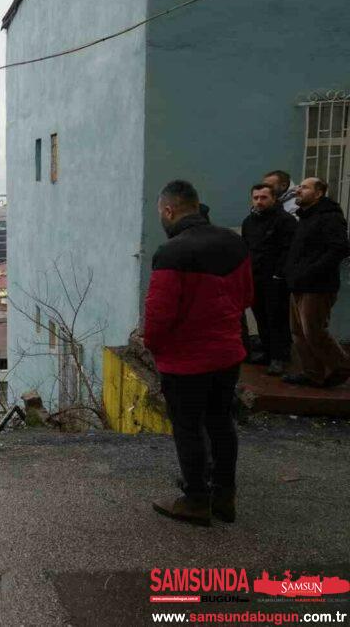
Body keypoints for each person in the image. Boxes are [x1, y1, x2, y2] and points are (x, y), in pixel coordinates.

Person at [144, 180, 253, 526]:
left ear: (168, 210)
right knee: (221, 422)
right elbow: (247, 296)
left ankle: (195, 499)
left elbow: (159, 314)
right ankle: (224, 495)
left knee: (188, 428)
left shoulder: (171, 253)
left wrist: (153, 345)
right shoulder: (234, 243)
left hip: (186, 360)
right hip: (227, 353)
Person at [282, 177, 350, 388]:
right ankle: (312, 374)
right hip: (299, 283)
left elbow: (339, 249)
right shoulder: (306, 217)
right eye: (299, 186)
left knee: (313, 330)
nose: (298, 190)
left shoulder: (329, 217)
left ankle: (341, 367)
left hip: (318, 285)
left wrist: (311, 272)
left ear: (319, 193)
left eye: (304, 187)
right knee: (298, 332)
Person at [241, 183, 297, 375]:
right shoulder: (249, 221)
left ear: (273, 198)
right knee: (261, 317)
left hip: (276, 279)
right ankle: (267, 353)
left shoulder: (285, 221)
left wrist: (279, 274)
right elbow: (246, 249)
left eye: (263, 197)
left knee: (277, 319)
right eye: (256, 197)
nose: (259, 201)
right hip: (255, 278)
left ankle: (279, 358)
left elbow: (289, 251)